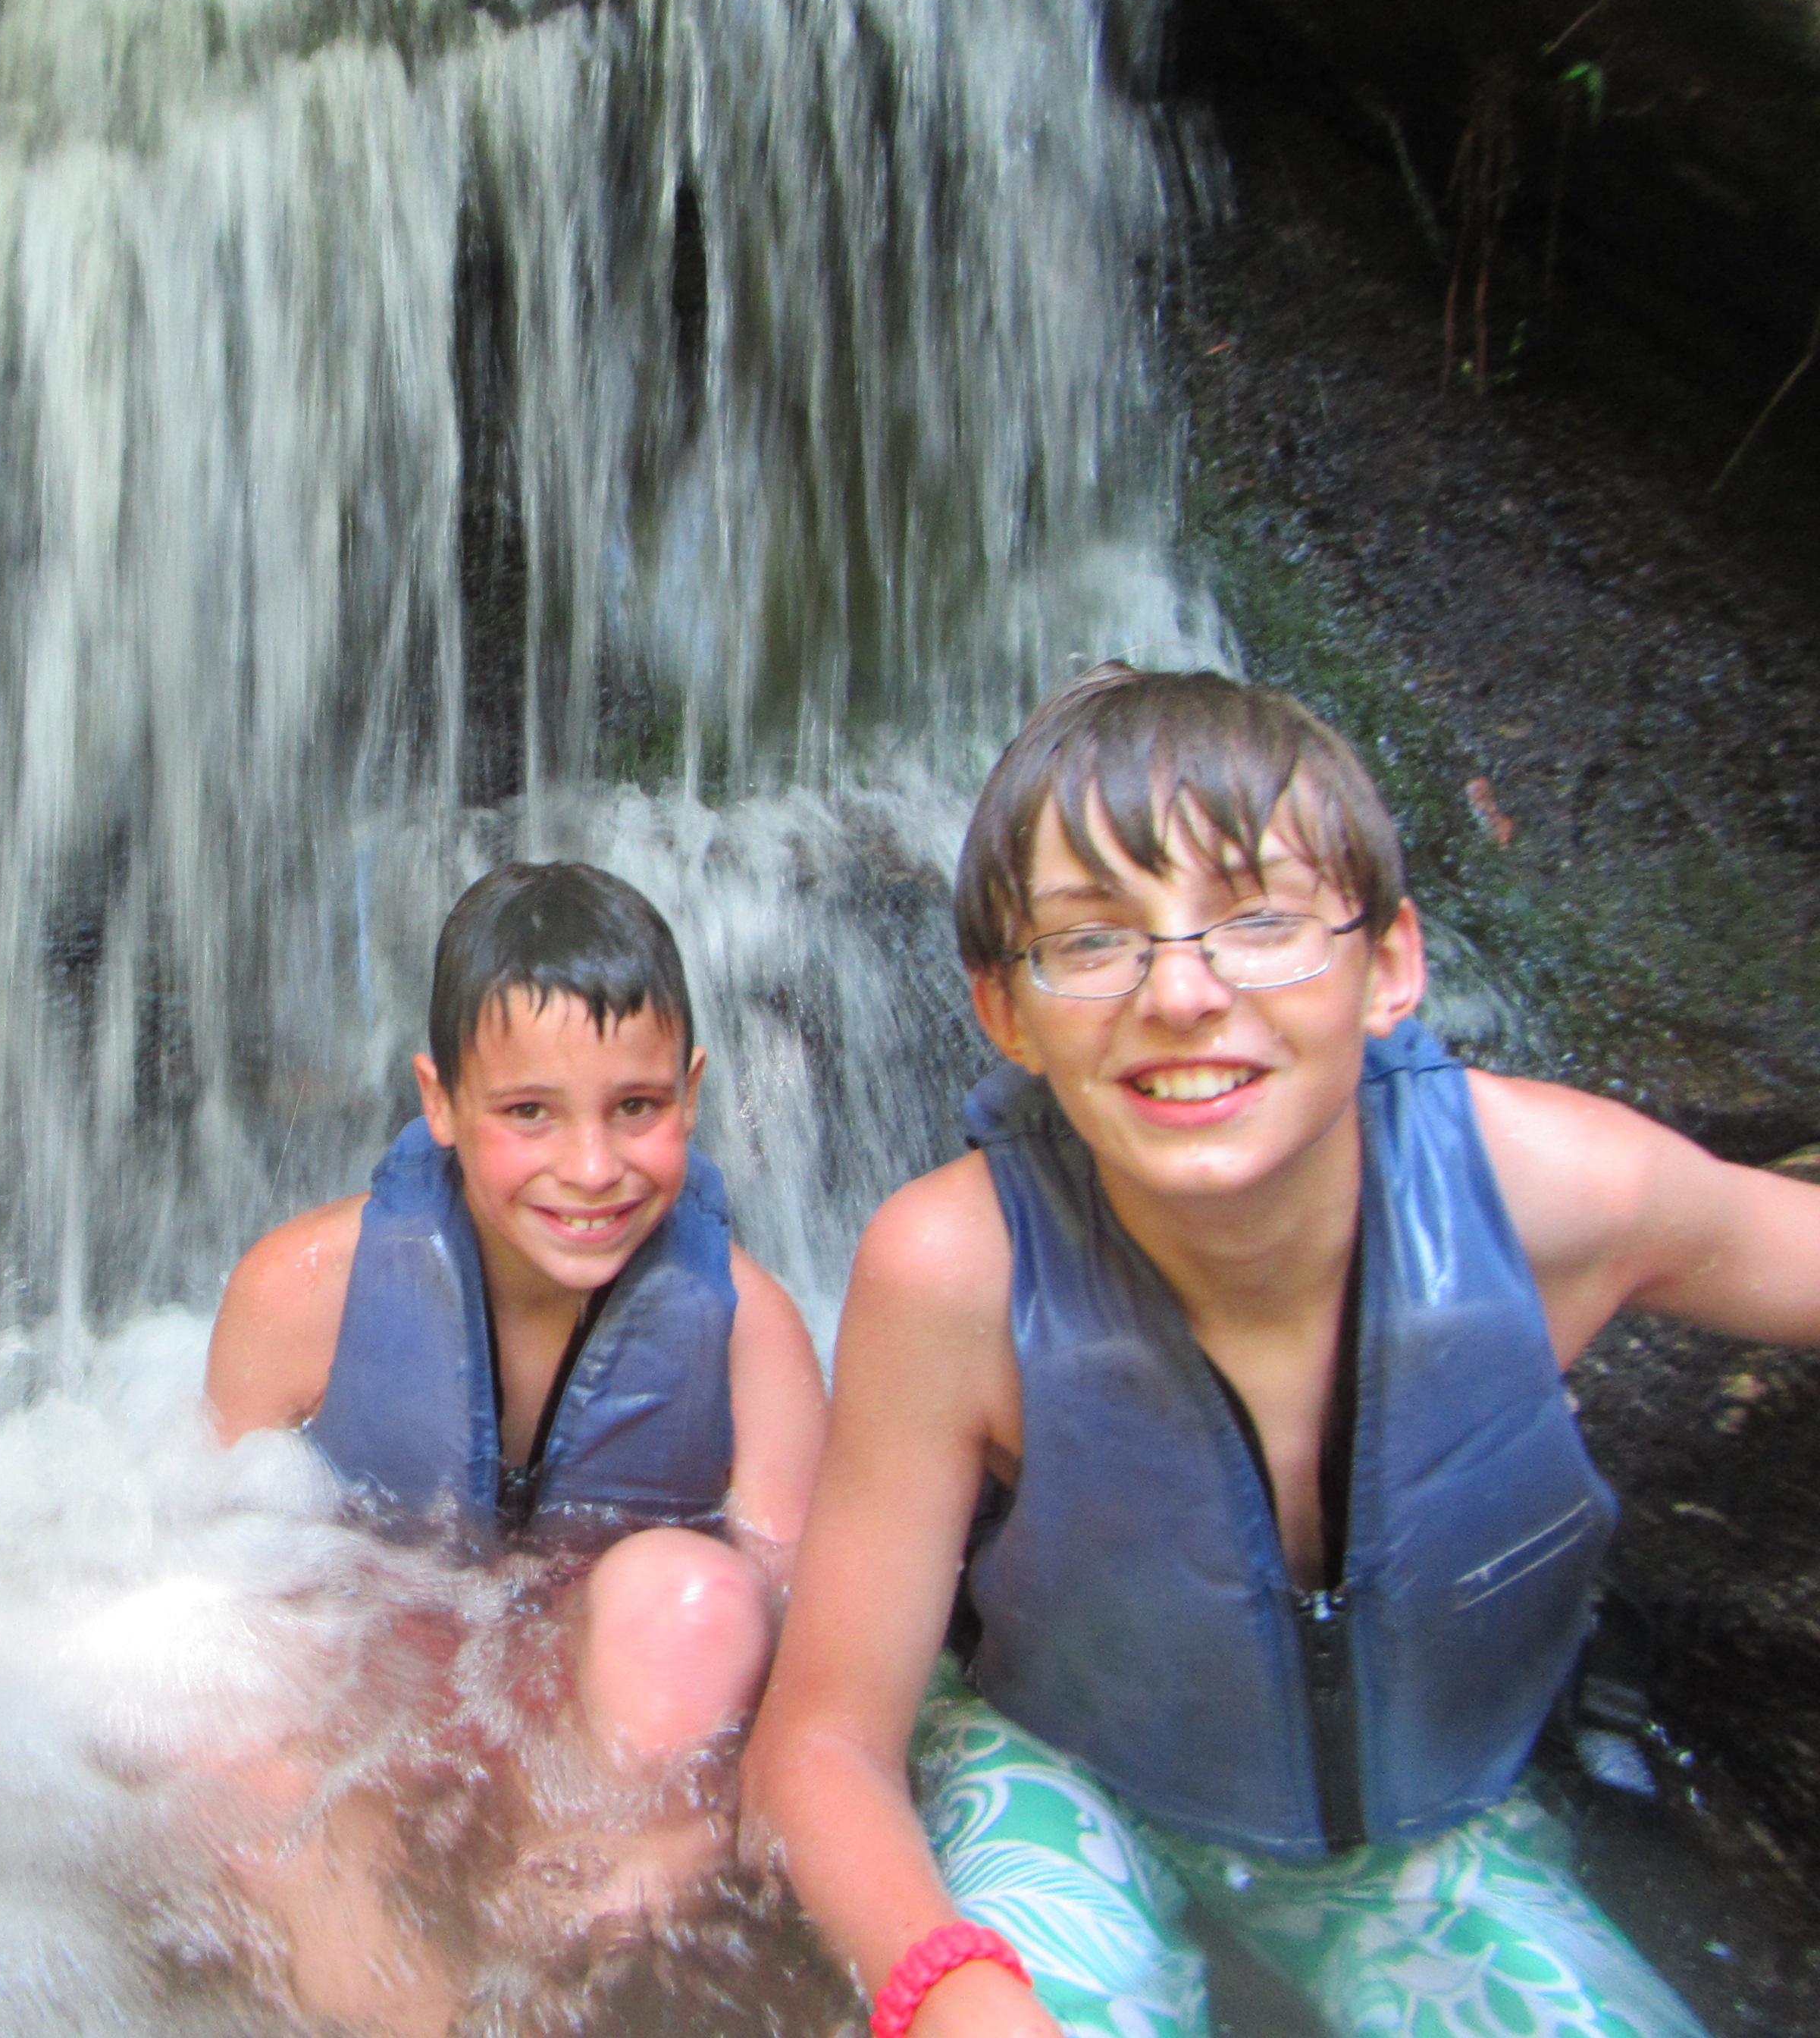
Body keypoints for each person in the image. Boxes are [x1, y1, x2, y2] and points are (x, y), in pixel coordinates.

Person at [747, 663, 1820, 2038]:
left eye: (1258, 922)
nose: (1183, 995)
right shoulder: (957, 1273)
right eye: (1091, 939)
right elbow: (822, 1741)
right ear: (1004, 1013)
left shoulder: (1550, 1191)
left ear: (1393, 966)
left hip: (1422, 1817)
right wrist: (947, 1990)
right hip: (1060, 1766)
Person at [206, 861, 825, 2033]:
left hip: (612, 1748)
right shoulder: (298, 1298)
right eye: (529, 1112)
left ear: (691, 1093)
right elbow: (213, 1570)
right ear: (439, 1103)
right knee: (228, 1733)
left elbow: (809, 1647)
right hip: (375, 1715)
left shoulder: (755, 1340)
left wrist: (695, 1831)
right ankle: (418, 2006)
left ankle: (586, 1958)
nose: (590, 1170)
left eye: (635, 1109)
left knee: (693, 1599)